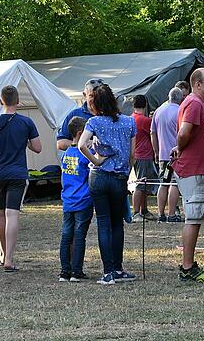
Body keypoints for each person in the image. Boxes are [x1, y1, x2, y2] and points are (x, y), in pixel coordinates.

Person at [78, 84, 137, 285]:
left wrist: (96, 161)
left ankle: (108, 272)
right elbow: (132, 155)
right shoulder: (129, 122)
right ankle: (118, 268)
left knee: (103, 223)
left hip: (99, 176)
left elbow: (81, 145)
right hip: (119, 178)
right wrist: (125, 171)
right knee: (116, 223)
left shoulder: (93, 122)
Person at [0, 85, 41, 273]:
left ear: (1, 101)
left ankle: (2, 252)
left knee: (0, 214)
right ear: (18, 101)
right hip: (18, 173)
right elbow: (38, 147)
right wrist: (25, 141)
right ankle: (9, 258)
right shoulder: (26, 122)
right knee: (12, 214)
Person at [173, 68, 204, 283]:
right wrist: (180, 148)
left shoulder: (197, 104)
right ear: (198, 84)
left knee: (196, 217)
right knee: (193, 217)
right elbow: (183, 132)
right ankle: (187, 267)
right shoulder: (194, 103)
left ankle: (189, 264)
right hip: (193, 169)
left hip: (197, 169)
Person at [58, 117, 93, 282]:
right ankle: (77, 270)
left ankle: (65, 270)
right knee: (79, 236)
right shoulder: (84, 155)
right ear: (81, 133)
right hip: (83, 200)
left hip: (68, 200)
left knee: (66, 236)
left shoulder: (66, 154)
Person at [151, 87, 183, 223]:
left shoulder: (158, 111)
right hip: (177, 155)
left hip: (163, 155)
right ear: (180, 98)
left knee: (163, 183)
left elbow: (152, 133)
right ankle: (171, 214)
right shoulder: (180, 112)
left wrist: (156, 152)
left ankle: (160, 214)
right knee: (174, 184)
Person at [131, 95, 158, 222]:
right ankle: (136, 212)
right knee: (141, 184)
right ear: (145, 105)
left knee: (144, 184)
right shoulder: (144, 120)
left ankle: (144, 210)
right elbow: (153, 131)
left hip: (136, 154)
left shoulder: (132, 118)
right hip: (144, 155)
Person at [56, 79, 101, 152]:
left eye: (99, 96)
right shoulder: (75, 114)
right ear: (84, 95)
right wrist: (82, 144)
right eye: (91, 96)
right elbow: (61, 143)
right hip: (82, 161)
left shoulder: (110, 115)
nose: (95, 99)